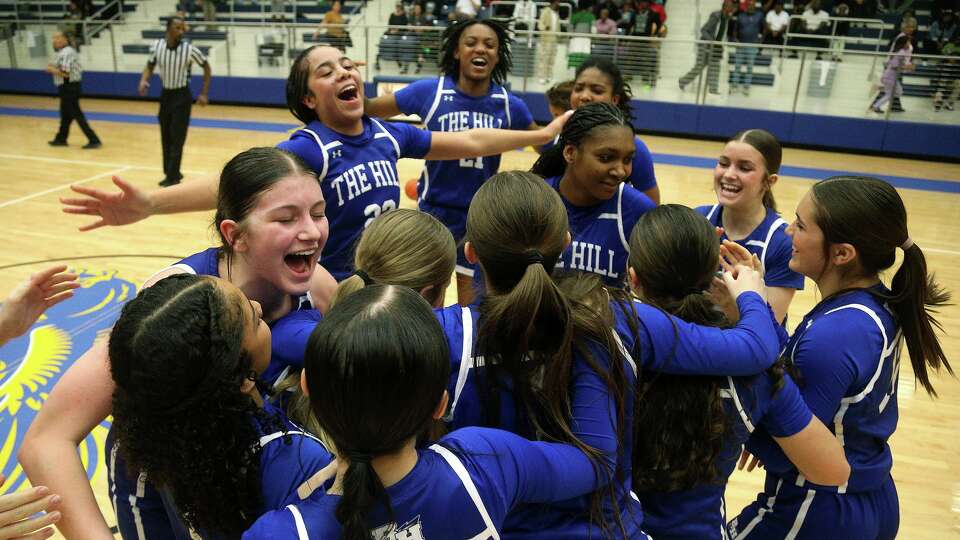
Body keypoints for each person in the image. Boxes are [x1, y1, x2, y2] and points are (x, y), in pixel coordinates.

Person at [438, 171, 788, 538]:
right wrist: (750, 290)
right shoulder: (614, 315)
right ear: (567, 242)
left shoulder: (447, 333)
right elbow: (756, 348)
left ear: (471, 253)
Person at [21, 147, 340, 539]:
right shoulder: (176, 301)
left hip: (248, 471)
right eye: (287, 218)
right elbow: (47, 441)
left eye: (319, 212)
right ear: (234, 235)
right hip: (165, 482)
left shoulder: (319, 288)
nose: (311, 231)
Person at [59, 45, 570, 286]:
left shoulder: (388, 133)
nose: (346, 71)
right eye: (328, 71)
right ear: (308, 97)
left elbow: (471, 140)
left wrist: (539, 135)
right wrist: (151, 202)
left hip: (396, 276)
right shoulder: (311, 147)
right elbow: (235, 181)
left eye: (348, 64)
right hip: (337, 286)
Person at [244, 285, 609, 539]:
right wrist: (599, 340)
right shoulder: (485, 464)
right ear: (440, 404)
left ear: (307, 387)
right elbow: (597, 463)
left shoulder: (282, 531)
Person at [729, 176, 953, 539]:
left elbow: (795, 450)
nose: (788, 231)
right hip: (871, 496)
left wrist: (748, 436)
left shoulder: (835, 333)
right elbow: (803, 375)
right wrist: (749, 308)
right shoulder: (872, 303)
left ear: (842, 253)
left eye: (801, 225)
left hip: (816, 507)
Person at [626, 205, 849, 540]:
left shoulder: (604, 347)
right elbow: (832, 470)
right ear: (712, 275)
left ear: (633, 278)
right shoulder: (754, 372)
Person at [107, 273, 334, 537]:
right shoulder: (300, 459)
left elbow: (141, 520)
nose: (259, 306)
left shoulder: (146, 434)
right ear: (243, 378)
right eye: (255, 319)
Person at [365, 19, 537, 305]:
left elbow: (548, 146)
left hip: (481, 216)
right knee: (427, 299)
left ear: (497, 54)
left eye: (489, 44)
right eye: (471, 43)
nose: (480, 49)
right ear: (457, 51)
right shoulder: (430, 92)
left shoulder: (510, 105)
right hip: (434, 211)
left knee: (473, 305)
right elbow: (370, 110)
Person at [532, 102, 655, 287]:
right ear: (570, 152)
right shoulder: (533, 200)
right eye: (606, 158)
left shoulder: (638, 211)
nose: (621, 171)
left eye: (628, 159)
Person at [697, 129, 803, 325]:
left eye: (744, 168)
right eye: (723, 163)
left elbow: (768, 330)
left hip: (747, 351)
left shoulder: (782, 243)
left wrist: (732, 304)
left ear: (769, 182)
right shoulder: (698, 220)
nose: (729, 174)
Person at [557, 56, 661, 203]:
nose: (584, 96)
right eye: (578, 88)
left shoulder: (635, 149)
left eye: (597, 90)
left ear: (614, 100)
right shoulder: (556, 136)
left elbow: (652, 210)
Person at [138, 16, 212, 187]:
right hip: (166, 96)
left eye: (182, 28)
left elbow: (207, 67)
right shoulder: (157, 47)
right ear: (168, 29)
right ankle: (171, 172)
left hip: (182, 96)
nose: (181, 31)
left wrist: (204, 93)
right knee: (166, 135)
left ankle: (172, 177)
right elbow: (150, 65)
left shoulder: (189, 49)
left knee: (177, 137)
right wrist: (143, 80)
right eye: (177, 28)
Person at [46, 31, 101, 149]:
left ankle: (94, 139)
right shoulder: (63, 52)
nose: (55, 40)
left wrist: (51, 69)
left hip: (69, 87)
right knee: (65, 115)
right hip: (66, 87)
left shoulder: (67, 53)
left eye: (58, 37)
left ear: (65, 39)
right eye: (54, 38)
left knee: (76, 114)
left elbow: (65, 73)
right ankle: (61, 139)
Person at [679, 1, 736, 94]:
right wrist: (712, 41)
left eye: (732, 6)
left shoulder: (727, 18)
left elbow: (722, 33)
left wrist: (720, 44)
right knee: (698, 68)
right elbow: (704, 30)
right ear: (725, 7)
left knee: (715, 68)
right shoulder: (716, 16)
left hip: (717, 48)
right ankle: (682, 81)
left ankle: (713, 89)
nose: (732, 8)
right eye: (730, 6)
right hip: (706, 46)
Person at [871, 34, 914, 113]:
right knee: (891, 94)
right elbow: (895, 67)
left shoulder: (900, 51)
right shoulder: (901, 52)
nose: (909, 44)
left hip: (890, 77)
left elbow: (898, 65)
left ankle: (879, 98)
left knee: (898, 92)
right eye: (908, 42)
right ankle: (876, 106)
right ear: (904, 43)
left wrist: (906, 67)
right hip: (889, 77)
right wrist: (906, 68)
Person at [732, 1, 764, 95]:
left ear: (755, 7)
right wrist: (735, 39)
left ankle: (746, 87)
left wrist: (761, 40)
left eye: (752, 5)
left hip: (752, 46)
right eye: (749, 5)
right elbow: (735, 29)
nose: (750, 7)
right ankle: (734, 86)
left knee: (749, 68)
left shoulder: (760, 15)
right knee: (737, 67)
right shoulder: (741, 16)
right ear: (746, 6)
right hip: (741, 45)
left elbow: (765, 28)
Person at [537, 0, 562, 84]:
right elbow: (540, 24)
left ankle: (549, 76)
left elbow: (558, 26)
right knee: (544, 58)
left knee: (552, 59)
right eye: (557, 2)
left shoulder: (556, 13)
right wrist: (544, 28)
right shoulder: (545, 11)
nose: (559, 4)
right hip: (546, 39)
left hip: (554, 39)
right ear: (553, 2)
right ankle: (541, 77)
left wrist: (559, 35)